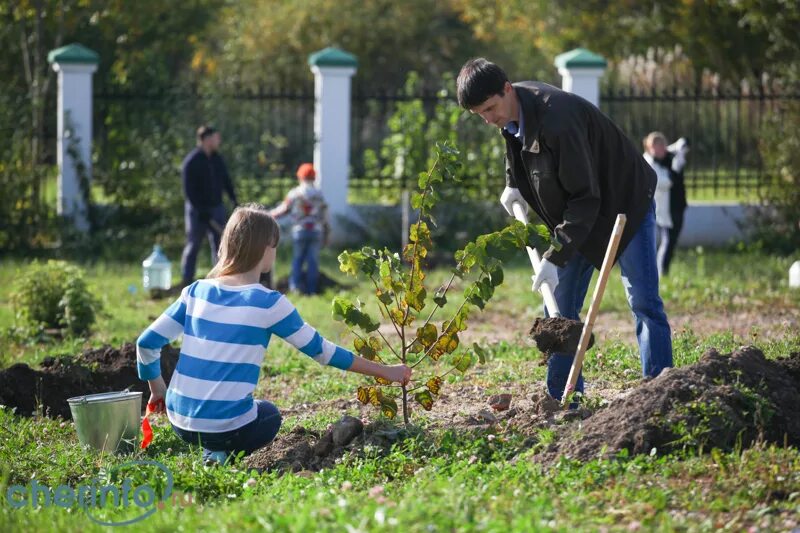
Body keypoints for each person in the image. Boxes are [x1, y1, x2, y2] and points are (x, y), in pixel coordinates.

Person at [456, 58, 673, 401]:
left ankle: (660, 390)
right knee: (558, 304)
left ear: (507, 89)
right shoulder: (512, 110)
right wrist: (514, 182)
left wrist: (556, 256)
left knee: (643, 299)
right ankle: (562, 398)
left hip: (625, 203)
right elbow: (513, 139)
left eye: (490, 108)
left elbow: (586, 199)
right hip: (581, 212)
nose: (488, 119)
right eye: (479, 114)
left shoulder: (557, 121)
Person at [136, 204, 412, 464]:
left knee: (239, 413)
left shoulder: (195, 291)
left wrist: (158, 389)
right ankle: (220, 453)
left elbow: (146, 343)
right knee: (269, 415)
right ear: (267, 249)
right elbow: (322, 352)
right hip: (226, 428)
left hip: (179, 421)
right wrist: (385, 371)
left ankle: (211, 450)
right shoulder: (269, 303)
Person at [181, 125, 238, 287]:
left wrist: (234, 199)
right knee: (193, 244)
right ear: (206, 139)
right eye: (215, 137)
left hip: (217, 208)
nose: (218, 141)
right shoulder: (192, 161)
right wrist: (200, 210)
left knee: (221, 246)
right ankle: (187, 279)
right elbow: (189, 190)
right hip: (197, 211)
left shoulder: (217, 159)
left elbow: (226, 180)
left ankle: (220, 280)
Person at [270, 163, 330, 295]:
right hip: (315, 231)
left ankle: (295, 287)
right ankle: (312, 290)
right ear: (314, 178)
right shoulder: (320, 195)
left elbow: (283, 209)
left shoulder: (295, 193)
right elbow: (325, 216)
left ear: (300, 177)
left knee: (297, 259)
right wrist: (326, 233)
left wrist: (268, 214)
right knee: (313, 261)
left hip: (299, 231)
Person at [643, 132, 690, 276]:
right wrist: (676, 167)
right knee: (668, 240)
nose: (662, 150)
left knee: (671, 239)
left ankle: (662, 269)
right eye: (657, 147)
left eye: (663, 146)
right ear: (650, 148)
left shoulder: (665, 157)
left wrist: (681, 146)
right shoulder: (650, 163)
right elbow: (666, 182)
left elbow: (674, 149)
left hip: (676, 205)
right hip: (665, 210)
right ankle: (662, 270)